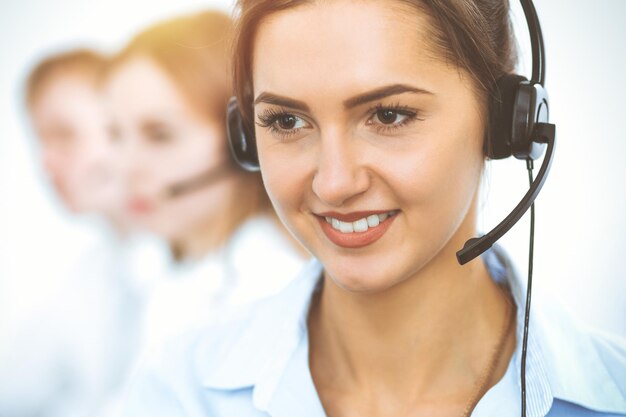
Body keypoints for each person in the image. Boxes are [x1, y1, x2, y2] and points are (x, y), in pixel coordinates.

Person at [122, 1, 626, 416]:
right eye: (286, 122)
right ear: (246, 136)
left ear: (506, 122)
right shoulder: (180, 392)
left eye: (389, 115)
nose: (335, 183)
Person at [104, 10, 307, 357]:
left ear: (243, 140)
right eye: (115, 134)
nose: (124, 166)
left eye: (159, 135)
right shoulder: (149, 266)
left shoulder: (267, 292)